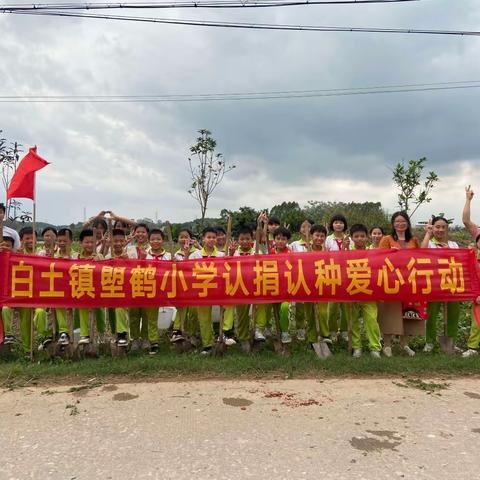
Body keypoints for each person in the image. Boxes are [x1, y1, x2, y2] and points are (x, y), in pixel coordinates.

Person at [378, 211, 421, 357]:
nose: (400, 224)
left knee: (408, 312)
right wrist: (390, 253)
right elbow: (379, 259)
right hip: (391, 281)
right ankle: (387, 344)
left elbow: (420, 257)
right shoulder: (386, 239)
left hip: (410, 281)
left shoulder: (414, 240)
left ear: (407, 223)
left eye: (403, 221)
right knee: (389, 312)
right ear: (393, 224)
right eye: (397, 221)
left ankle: (405, 344)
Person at [421, 217, 460, 353]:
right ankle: (430, 342)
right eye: (437, 227)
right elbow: (421, 253)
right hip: (434, 284)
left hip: (451, 284)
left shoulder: (454, 245)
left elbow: (460, 260)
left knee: (453, 314)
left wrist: (449, 250)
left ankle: (451, 342)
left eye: (443, 227)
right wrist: (427, 233)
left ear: (447, 229)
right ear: (433, 228)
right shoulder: (430, 243)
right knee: (432, 314)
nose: (440, 230)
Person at [348, 224, 382, 358]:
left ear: (367, 237)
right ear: (351, 238)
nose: (359, 239)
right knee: (353, 320)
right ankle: (357, 347)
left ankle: (374, 347)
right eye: (356, 236)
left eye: (362, 236)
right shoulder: (347, 252)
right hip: (352, 291)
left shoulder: (373, 251)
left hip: (369, 292)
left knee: (372, 320)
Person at [189, 227, 225, 354]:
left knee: (221, 315)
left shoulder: (222, 255)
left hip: (217, 290)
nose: (211, 240)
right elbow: (187, 270)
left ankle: (222, 339)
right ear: (203, 239)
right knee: (204, 319)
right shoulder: (195, 255)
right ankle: (207, 345)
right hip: (202, 291)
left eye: (214, 237)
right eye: (208, 237)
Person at [144, 228, 172, 355]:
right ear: (149, 241)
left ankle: (178, 333)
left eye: (158, 239)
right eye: (153, 239)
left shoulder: (169, 255)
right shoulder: (144, 254)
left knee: (182, 309)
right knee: (152, 318)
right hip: (151, 289)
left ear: (163, 241)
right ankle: (153, 342)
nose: (156, 241)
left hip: (168, 289)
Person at [77, 229, 106, 345]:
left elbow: (105, 272)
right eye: (86, 242)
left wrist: (98, 262)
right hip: (82, 288)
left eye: (92, 243)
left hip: (97, 289)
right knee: (81, 308)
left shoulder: (99, 256)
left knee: (99, 311)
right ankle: (84, 334)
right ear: (80, 243)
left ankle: (101, 333)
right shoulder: (76, 256)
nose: (89, 245)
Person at [170, 229, 199, 343]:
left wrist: (187, 256)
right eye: (181, 237)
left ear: (191, 239)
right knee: (181, 308)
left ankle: (192, 333)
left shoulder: (197, 253)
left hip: (194, 286)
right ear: (177, 240)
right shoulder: (175, 254)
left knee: (193, 311)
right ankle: (177, 331)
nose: (183, 239)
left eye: (186, 237)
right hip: (181, 286)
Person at [104, 228, 130, 348]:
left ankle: (122, 334)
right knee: (111, 312)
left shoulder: (131, 253)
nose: (118, 243)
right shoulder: (108, 255)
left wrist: (127, 261)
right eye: (115, 241)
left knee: (120, 308)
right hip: (111, 289)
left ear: (125, 241)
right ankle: (115, 333)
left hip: (127, 289)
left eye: (121, 241)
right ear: (111, 242)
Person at [325, 214, 349, 341]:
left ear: (344, 224)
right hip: (332, 275)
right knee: (332, 305)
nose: (338, 225)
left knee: (346, 305)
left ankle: (344, 330)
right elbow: (324, 255)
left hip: (347, 276)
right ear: (332, 225)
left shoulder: (349, 239)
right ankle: (332, 330)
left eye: (341, 222)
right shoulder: (328, 239)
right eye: (336, 222)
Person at [289, 219, 315, 341]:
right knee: (299, 306)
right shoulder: (294, 245)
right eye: (303, 227)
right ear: (300, 229)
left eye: (309, 227)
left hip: (314, 279)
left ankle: (312, 329)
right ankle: (300, 329)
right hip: (299, 278)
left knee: (312, 306)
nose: (306, 229)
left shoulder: (317, 243)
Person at [462, 186, 480, 357]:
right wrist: (468, 199)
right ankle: (473, 348)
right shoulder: (475, 255)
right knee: (477, 320)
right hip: (478, 294)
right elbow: (466, 221)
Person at [127, 223, 151, 350]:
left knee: (147, 313)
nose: (140, 234)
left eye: (143, 232)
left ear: (147, 234)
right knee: (134, 314)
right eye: (138, 232)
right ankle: (135, 339)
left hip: (148, 283)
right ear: (134, 233)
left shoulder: (152, 247)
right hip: (133, 284)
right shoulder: (129, 249)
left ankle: (146, 338)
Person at [306, 224, 330, 347]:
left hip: (322, 285)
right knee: (310, 313)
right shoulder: (306, 250)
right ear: (311, 236)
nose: (319, 238)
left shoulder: (327, 251)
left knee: (323, 312)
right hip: (307, 285)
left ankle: (325, 335)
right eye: (317, 235)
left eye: (322, 236)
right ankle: (312, 338)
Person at [269, 227, 292, 344]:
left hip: (286, 287)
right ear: (274, 239)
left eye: (283, 239)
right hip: (272, 286)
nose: (280, 241)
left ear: (287, 240)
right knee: (274, 309)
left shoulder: (291, 253)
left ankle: (285, 331)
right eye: (278, 238)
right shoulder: (270, 253)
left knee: (284, 308)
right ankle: (272, 329)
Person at [1, 236, 17, 345]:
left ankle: (9, 334)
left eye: (9, 246)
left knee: (6, 309)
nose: (6, 247)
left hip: (14, 295)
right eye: (3, 245)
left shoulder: (17, 259)